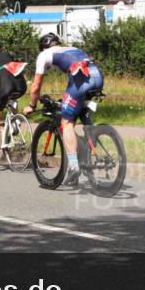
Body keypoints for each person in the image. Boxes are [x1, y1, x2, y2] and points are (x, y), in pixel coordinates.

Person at [23, 32, 103, 184]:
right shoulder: (72, 48)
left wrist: (32, 105)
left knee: (66, 122)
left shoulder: (44, 55)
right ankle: (87, 145)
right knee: (79, 108)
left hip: (81, 79)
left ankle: (74, 166)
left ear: (43, 47)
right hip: (97, 76)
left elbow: (36, 86)